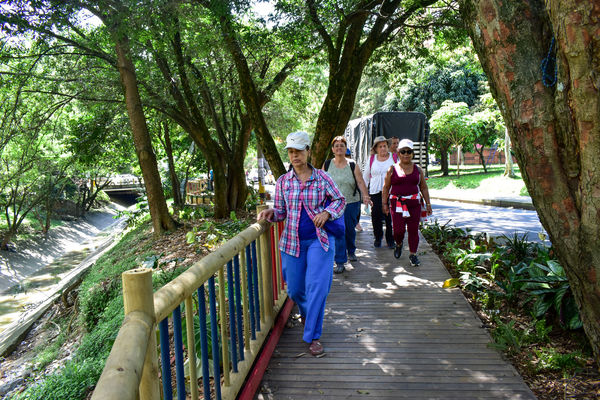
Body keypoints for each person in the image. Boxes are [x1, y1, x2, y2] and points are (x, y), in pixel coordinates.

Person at [257, 131, 345, 356]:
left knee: (317, 287)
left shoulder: (322, 178)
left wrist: (327, 212)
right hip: (292, 243)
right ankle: (308, 313)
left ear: (308, 151)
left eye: (299, 151)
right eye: (291, 151)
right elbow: (281, 212)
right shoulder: (283, 182)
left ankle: (313, 336)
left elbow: (340, 200)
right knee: (295, 289)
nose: (295, 155)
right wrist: (270, 212)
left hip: (319, 240)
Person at [322, 136, 370, 273]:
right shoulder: (327, 164)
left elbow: (360, 181)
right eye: (336, 146)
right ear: (332, 149)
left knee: (349, 229)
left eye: (341, 145)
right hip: (333, 204)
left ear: (345, 148)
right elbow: (321, 183)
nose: (339, 148)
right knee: (339, 231)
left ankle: (351, 250)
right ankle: (340, 261)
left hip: (351, 202)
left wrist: (365, 196)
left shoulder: (352, 164)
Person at [382, 138, 432, 266]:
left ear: (412, 154)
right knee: (398, 231)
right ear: (398, 153)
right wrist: (384, 204)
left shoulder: (418, 169)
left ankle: (413, 254)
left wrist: (428, 203)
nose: (406, 154)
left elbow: (424, 187)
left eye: (408, 152)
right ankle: (398, 244)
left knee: (413, 229)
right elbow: (386, 187)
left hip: (414, 205)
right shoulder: (392, 169)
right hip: (397, 204)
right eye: (403, 151)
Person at [363, 136, 397, 248]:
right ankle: (378, 237)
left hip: (391, 192)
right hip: (375, 192)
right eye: (380, 146)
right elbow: (366, 177)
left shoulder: (394, 158)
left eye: (384, 146)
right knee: (376, 215)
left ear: (388, 147)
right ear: (376, 148)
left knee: (390, 217)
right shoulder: (372, 159)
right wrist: (365, 194)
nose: (383, 148)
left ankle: (390, 239)